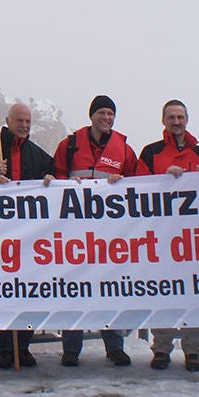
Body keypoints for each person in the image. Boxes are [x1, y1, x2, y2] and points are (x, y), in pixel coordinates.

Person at [46, 95, 137, 368]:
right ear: (92, 116)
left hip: (110, 232)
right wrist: (66, 183)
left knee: (111, 287)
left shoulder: (123, 148)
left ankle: (114, 346)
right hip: (75, 230)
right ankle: (71, 349)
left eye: (110, 113)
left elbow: (139, 182)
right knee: (73, 288)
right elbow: (56, 174)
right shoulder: (70, 144)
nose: (106, 118)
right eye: (101, 113)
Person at [0, 102, 60, 368]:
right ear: (7, 120)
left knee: (27, 291)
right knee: (3, 292)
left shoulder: (37, 154)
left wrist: (50, 180)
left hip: (30, 238)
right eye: (19, 120)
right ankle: (5, 348)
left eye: (28, 122)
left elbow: (55, 176)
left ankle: (23, 346)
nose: (24, 126)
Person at [139, 100, 199, 371]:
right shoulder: (151, 153)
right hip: (161, 238)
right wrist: (163, 178)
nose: (176, 121)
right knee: (164, 293)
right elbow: (139, 187)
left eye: (180, 116)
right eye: (171, 117)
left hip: (196, 239)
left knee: (195, 291)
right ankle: (161, 348)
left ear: (187, 119)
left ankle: (193, 349)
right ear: (163, 120)